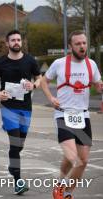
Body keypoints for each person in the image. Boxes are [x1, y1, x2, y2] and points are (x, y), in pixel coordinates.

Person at [41, 30, 103, 199]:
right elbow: (43, 81)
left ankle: (68, 192)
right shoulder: (59, 64)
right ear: (70, 47)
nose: (82, 46)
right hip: (63, 115)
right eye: (78, 44)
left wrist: (100, 87)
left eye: (84, 43)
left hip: (83, 116)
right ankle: (60, 185)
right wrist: (51, 97)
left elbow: (98, 84)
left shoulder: (92, 64)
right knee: (71, 156)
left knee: (83, 161)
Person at [0, 30, 41, 195]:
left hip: (25, 108)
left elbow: (39, 77)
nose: (16, 42)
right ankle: (18, 181)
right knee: (15, 143)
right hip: (8, 107)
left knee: (20, 144)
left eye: (18, 40)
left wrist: (34, 85)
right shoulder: (1, 62)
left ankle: (12, 166)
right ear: (7, 43)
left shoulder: (30, 60)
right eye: (13, 40)